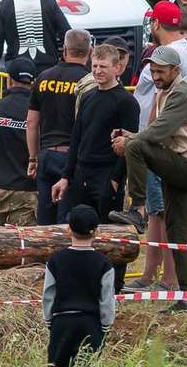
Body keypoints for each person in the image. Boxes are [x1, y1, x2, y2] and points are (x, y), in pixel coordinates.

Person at [116, 43, 187, 307]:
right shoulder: (167, 90)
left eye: (161, 71)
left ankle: (137, 209)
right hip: (179, 163)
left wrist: (130, 141)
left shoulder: (179, 93)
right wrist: (131, 137)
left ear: (176, 70)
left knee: (135, 147)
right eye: (153, 71)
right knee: (177, 230)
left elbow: (156, 132)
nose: (156, 76)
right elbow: (159, 131)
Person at [37, 203, 119, 367]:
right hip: (90, 323)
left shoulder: (55, 260)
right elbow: (106, 300)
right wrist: (105, 326)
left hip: (62, 320)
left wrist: (49, 321)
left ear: (68, 230)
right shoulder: (104, 264)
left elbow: (48, 294)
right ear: (97, 232)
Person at [56, 39, 137, 231]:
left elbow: (130, 145)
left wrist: (116, 179)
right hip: (82, 171)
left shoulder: (126, 102)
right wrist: (67, 176)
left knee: (107, 230)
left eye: (103, 66)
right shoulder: (87, 96)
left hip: (107, 172)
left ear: (117, 68)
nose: (98, 71)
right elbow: (76, 138)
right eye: (94, 66)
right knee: (78, 227)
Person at [29, 28, 91, 225]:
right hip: (73, 158)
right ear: (90, 52)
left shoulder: (43, 78)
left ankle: (45, 257)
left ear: (64, 49)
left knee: (45, 220)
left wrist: (33, 157)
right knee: (67, 220)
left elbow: (31, 122)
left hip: (46, 155)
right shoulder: (88, 82)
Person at [0, 55, 40, 222]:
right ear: (32, 83)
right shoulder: (37, 114)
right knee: (22, 244)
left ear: (9, 80)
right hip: (26, 190)